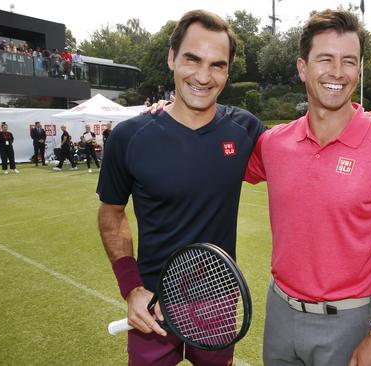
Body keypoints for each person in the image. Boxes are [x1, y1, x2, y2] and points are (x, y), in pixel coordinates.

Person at [244, 10, 371, 365]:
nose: (337, 72)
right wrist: (174, 113)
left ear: (359, 70)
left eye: (349, 61)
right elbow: (217, 161)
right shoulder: (274, 143)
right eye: (325, 59)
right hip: (278, 313)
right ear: (302, 67)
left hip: (347, 324)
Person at [96, 10, 264, 365]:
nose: (203, 77)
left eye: (217, 65)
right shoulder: (128, 137)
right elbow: (111, 214)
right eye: (192, 59)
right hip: (152, 302)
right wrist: (132, 289)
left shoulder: (245, 129)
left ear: (228, 70)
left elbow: (302, 155)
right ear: (172, 58)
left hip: (217, 298)